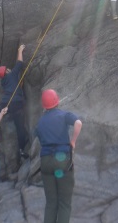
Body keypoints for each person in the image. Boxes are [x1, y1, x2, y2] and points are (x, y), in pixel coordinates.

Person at [35, 89, 82, 223]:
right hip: (61, 161)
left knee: (51, 203)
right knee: (64, 203)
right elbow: (78, 123)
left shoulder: (40, 122)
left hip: (45, 162)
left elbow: (38, 136)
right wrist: (72, 141)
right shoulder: (63, 115)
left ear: (44, 105)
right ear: (57, 101)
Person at [0, 43, 29, 159]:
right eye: (7, 69)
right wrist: (20, 50)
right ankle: (21, 149)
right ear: (7, 72)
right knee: (20, 127)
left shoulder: (4, 82)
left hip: (6, 103)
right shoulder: (11, 75)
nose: (9, 69)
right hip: (17, 102)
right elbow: (19, 64)